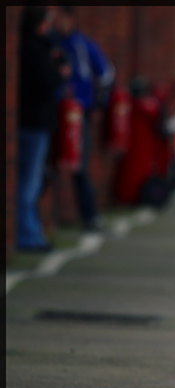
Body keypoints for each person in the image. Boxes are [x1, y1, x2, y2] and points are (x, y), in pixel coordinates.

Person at [52, 5, 115, 231]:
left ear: (70, 18)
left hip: (79, 115)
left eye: (60, 17)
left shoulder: (82, 44)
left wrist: (98, 103)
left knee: (79, 165)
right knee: (49, 165)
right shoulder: (52, 42)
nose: (57, 21)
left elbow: (107, 74)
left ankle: (89, 217)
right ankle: (50, 219)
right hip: (54, 112)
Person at [17, 5, 71, 252]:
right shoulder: (34, 49)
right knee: (30, 182)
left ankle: (31, 232)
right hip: (35, 122)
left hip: (33, 121)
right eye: (47, 21)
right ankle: (27, 235)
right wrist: (60, 74)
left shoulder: (37, 47)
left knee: (32, 180)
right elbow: (45, 83)